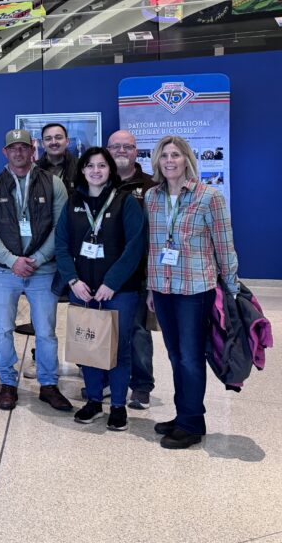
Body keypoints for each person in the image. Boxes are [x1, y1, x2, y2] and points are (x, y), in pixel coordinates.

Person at [145, 135, 239, 449]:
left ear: (187, 159)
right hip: (162, 287)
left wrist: (232, 289)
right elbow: (152, 247)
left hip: (194, 289)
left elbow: (224, 246)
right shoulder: (152, 197)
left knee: (190, 358)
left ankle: (191, 423)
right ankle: (183, 414)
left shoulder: (209, 196)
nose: (169, 161)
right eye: (163, 156)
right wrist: (150, 287)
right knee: (174, 356)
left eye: (175, 155)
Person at [0, 128, 71, 412]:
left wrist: (39, 258)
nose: (18, 152)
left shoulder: (53, 184)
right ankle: (7, 383)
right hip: (5, 272)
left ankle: (48, 385)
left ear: (33, 150)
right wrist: (11, 260)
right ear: (5, 153)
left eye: (23, 147)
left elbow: (61, 227)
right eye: (12, 148)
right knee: (2, 329)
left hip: (43, 270)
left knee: (46, 331)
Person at [55, 147, 147, 431]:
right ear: (82, 170)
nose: (96, 171)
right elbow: (60, 245)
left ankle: (118, 405)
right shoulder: (72, 203)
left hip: (119, 291)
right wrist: (72, 280)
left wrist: (112, 283)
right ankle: (94, 400)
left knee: (119, 349)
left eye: (102, 166)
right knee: (88, 347)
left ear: (110, 170)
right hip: (82, 289)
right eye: (90, 166)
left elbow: (135, 246)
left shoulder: (125, 202)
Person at [107, 129, 158, 410]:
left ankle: (140, 386)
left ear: (136, 151)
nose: (122, 151)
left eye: (127, 147)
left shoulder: (151, 187)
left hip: (137, 273)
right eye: (116, 147)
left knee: (137, 331)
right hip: (102, 273)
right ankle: (102, 380)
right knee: (104, 328)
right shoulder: (99, 182)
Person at [37, 122, 78, 191]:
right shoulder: (34, 169)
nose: (54, 142)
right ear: (42, 143)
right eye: (48, 139)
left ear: (67, 141)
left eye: (58, 138)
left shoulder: (80, 167)